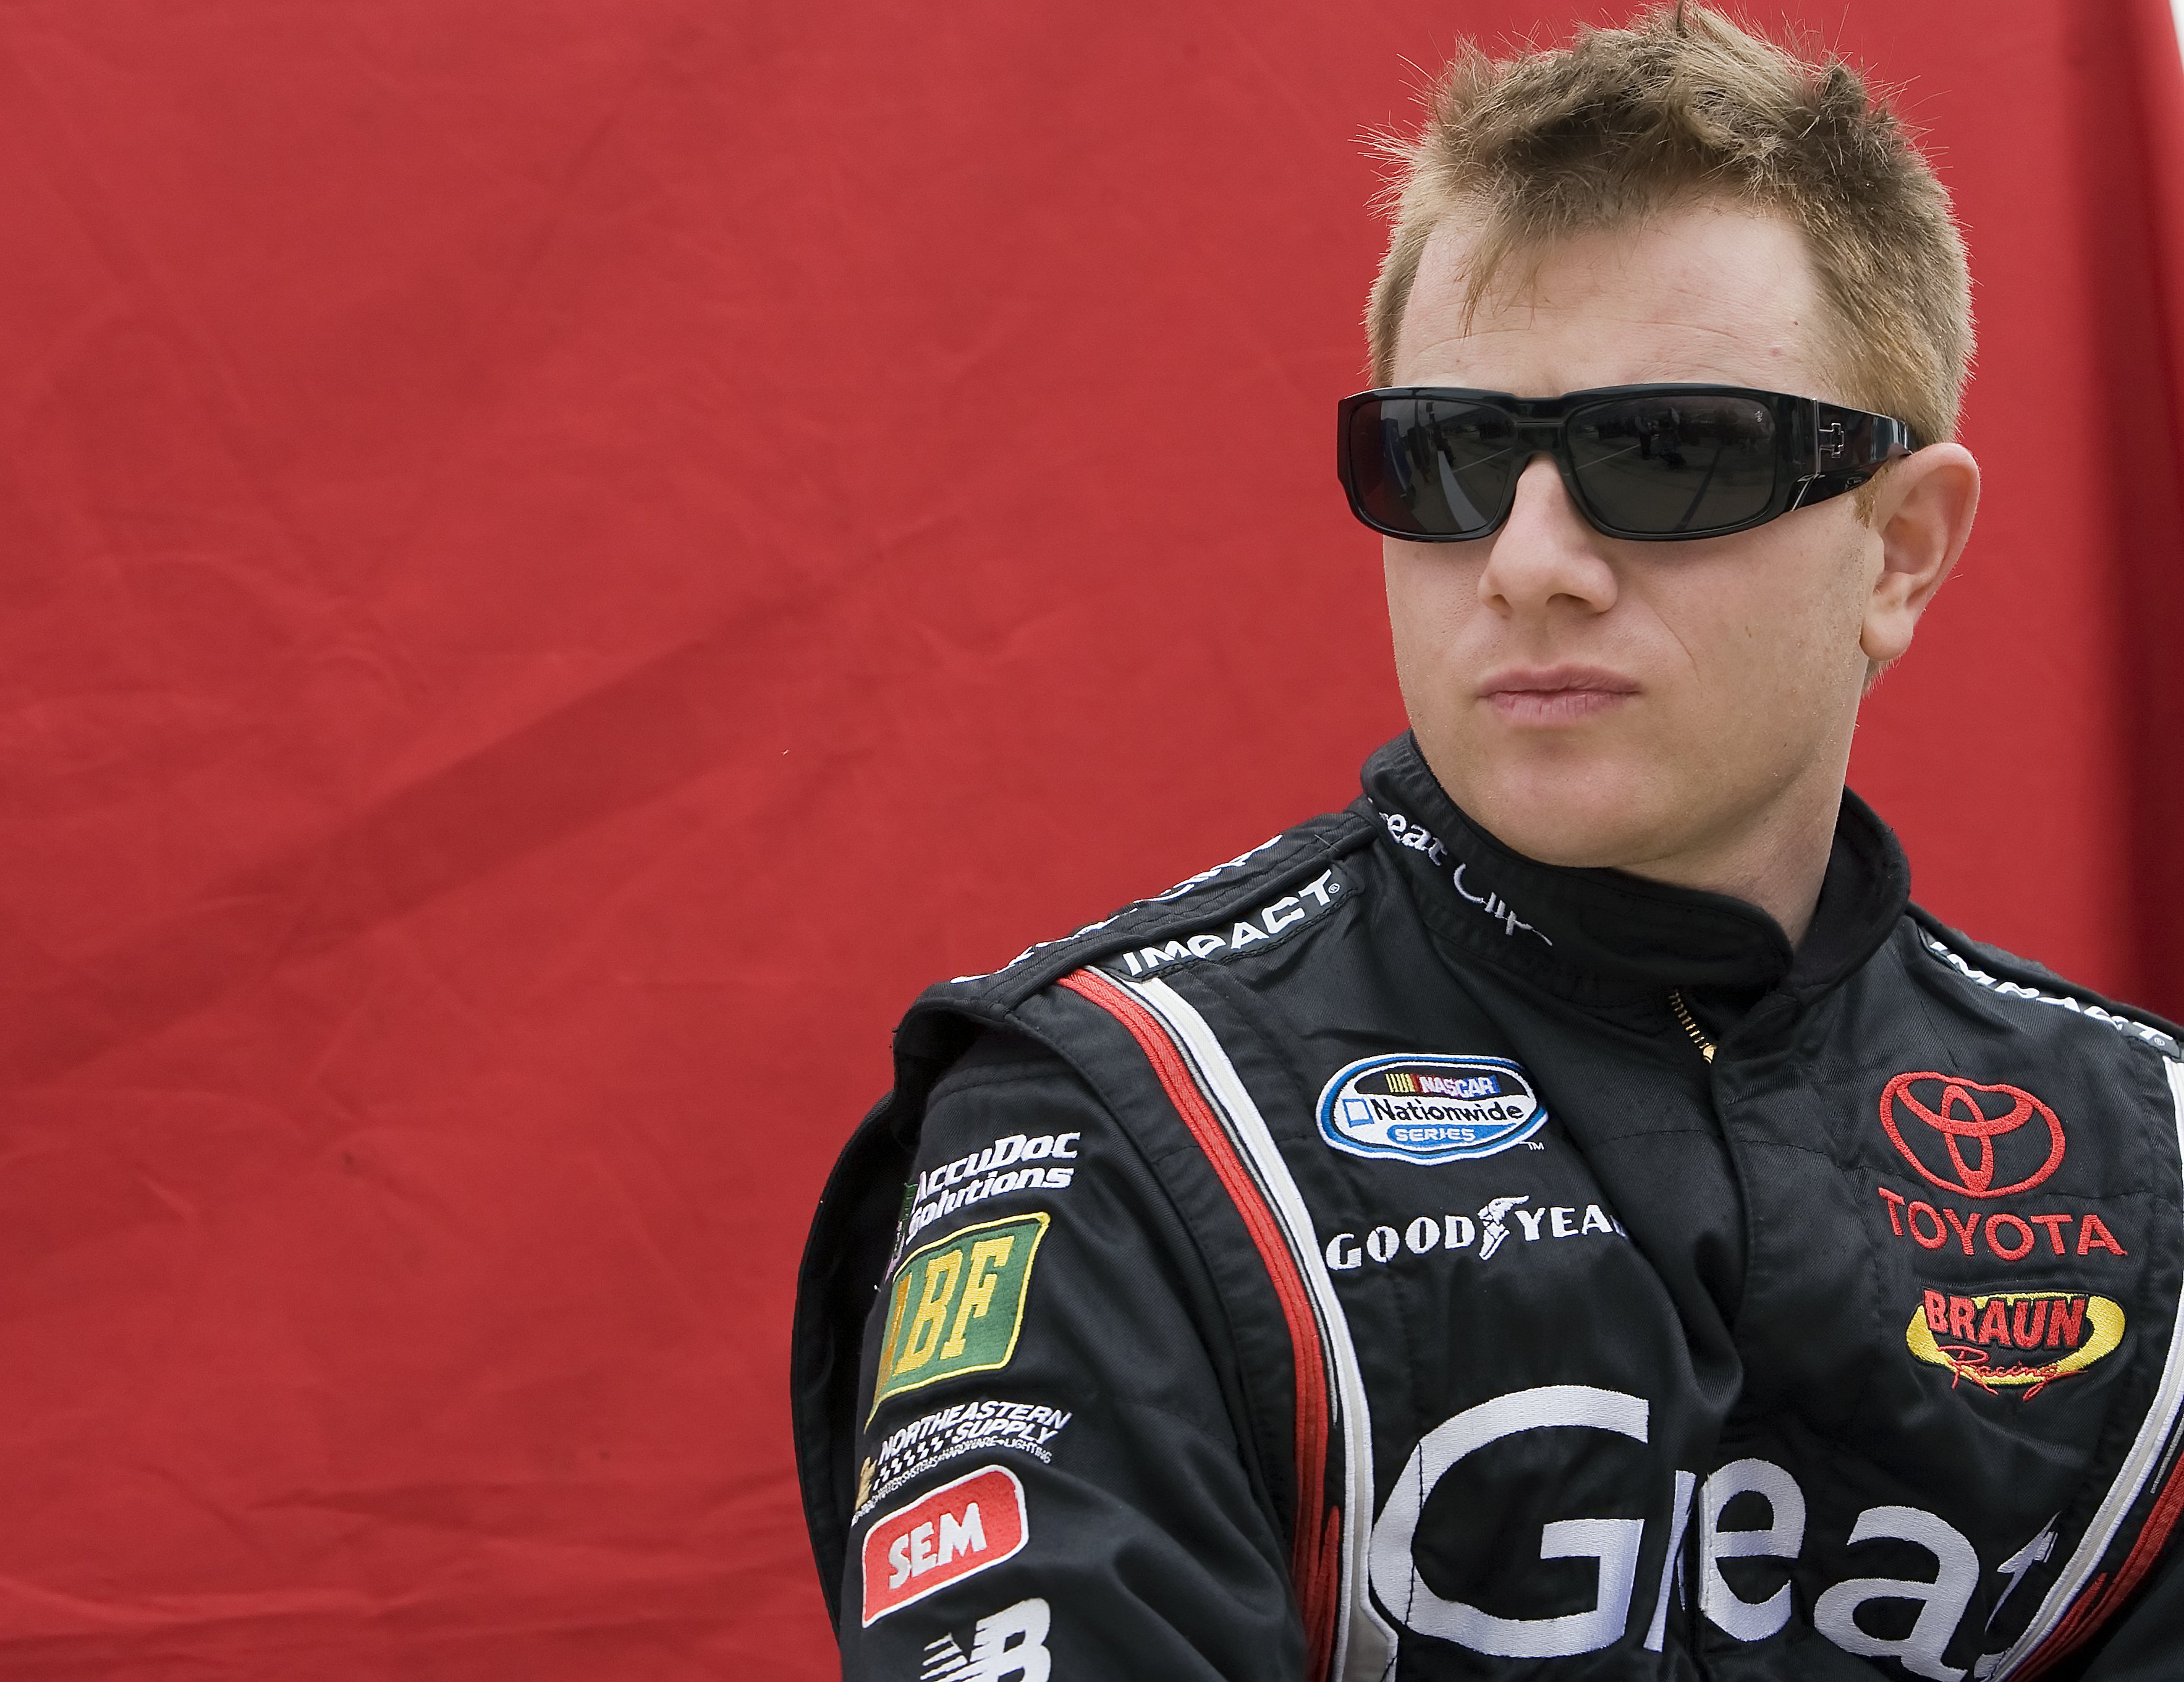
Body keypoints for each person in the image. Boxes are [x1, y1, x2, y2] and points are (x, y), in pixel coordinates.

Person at [792, 7, 2184, 1677]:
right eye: (1447, 456)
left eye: (1666, 453)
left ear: (1902, 549)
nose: (1528, 558)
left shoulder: (2152, 1169)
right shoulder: (1119, 1122)